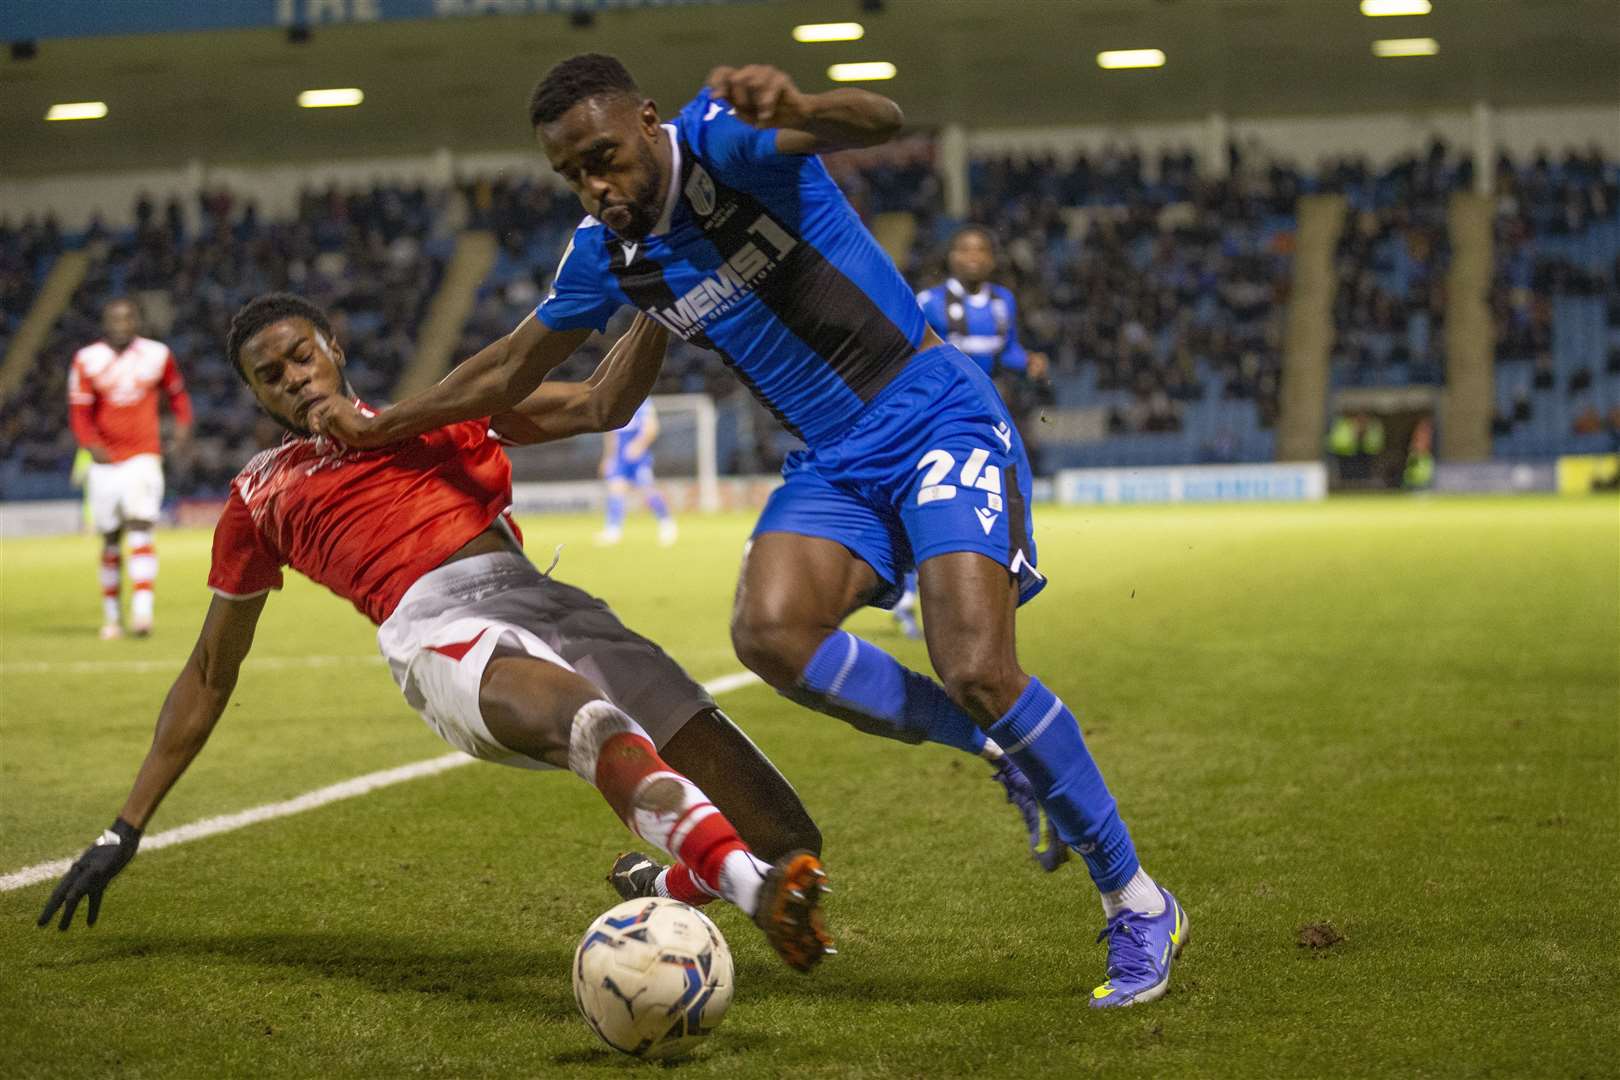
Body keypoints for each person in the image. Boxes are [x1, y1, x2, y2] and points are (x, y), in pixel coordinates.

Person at [308, 56, 1185, 1008]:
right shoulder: (608, 255)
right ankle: (997, 750)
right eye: (573, 174)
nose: (596, 185)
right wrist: (387, 425)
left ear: (648, 122)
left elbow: (879, 118)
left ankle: (1136, 901)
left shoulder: (722, 142)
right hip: (833, 459)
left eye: (605, 157)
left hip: (933, 413)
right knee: (771, 637)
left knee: (976, 666)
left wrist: (804, 107)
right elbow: (526, 365)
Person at [38, 293, 832, 975]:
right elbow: (211, 672)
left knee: (789, 837)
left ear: (334, 349)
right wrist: (126, 825)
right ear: (255, 395)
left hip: (547, 605)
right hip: (438, 630)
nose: (294, 380)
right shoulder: (261, 492)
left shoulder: (436, 415)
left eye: (301, 357)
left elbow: (599, 405)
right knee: (587, 721)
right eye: (270, 377)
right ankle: (753, 893)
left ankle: (671, 885)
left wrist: (662, 308)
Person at [900, 226, 1050, 637]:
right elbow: (908, 355)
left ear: (991, 258)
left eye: (980, 249)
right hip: (939, 418)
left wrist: (1029, 362)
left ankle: (1015, 567)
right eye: (964, 249)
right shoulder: (928, 303)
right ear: (951, 257)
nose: (972, 256)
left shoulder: (1004, 303)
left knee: (1011, 486)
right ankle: (910, 586)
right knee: (934, 499)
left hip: (988, 413)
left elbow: (1008, 352)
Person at [68, 298, 192, 639]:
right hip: (105, 462)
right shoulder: (87, 359)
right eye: (115, 319)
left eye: (128, 318)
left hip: (143, 455)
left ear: (137, 321)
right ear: (105, 322)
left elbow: (178, 396)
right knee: (110, 538)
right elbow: (79, 412)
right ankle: (111, 617)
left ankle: (142, 613)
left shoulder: (157, 354)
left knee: (141, 528)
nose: (122, 324)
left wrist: (182, 429)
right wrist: (90, 444)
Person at [597, 399, 677, 546]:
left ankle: (667, 523)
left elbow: (652, 428)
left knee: (648, 490)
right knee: (615, 489)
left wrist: (638, 445)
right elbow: (610, 433)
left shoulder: (642, 402)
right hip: (619, 456)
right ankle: (613, 530)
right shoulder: (615, 401)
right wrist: (608, 456)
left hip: (638, 455)